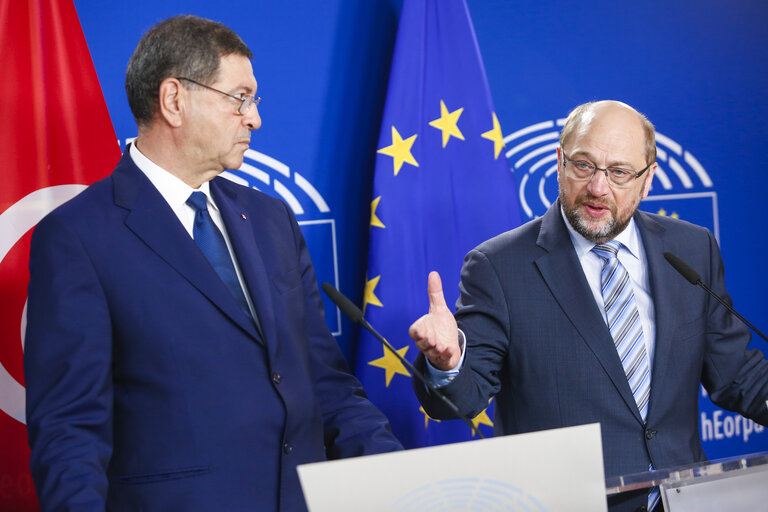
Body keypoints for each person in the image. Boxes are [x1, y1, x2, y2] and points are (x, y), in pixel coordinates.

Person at [24, 15, 401, 512]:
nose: (254, 118)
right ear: (174, 100)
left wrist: (404, 482)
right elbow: (70, 431)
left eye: (254, 100)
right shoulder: (79, 236)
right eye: (239, 97)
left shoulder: (271, 220)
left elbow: (322, 382)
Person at [409, 100, 768, 512]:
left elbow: (736, 375)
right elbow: (461, 398)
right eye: (583, 166)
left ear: (647, 179)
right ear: (560, 162)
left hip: (687, 499)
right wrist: (446, 362)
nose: (598, 188)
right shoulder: (498, 267)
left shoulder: (692, 248)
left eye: (618, 172)